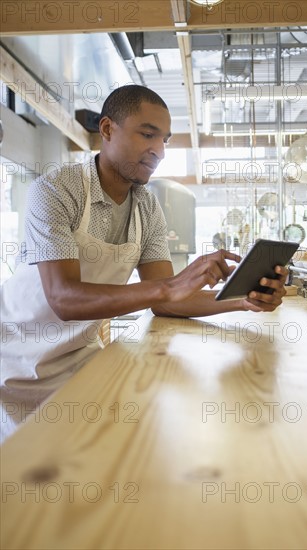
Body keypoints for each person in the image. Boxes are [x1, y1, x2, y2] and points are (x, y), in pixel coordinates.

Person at [0, 85, 287, 442]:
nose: (160, 151)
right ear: (107, 129)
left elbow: (165, 302)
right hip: (15, 364)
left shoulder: (146, 206)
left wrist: (241, 300)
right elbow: (64, 299)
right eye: (148, 134)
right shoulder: (57, 190)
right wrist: (171, 284)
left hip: (80, 360)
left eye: (164, 139)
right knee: (23, 478)